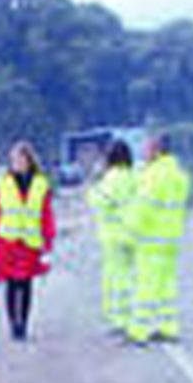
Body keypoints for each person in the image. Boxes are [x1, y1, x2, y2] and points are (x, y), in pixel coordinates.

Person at [0, 140, 56, 342]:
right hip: (8, 242)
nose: (17, 163)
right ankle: (13, 325)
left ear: (29, 160)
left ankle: (23, 324)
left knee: (25, 285)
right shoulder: (3, 183)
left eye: (20, 159)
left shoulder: (40, 184)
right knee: (10, 285)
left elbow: (46, 214)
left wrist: (48, 239)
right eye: (14, 159)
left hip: (30, 242)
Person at [128, 133, 192, 344]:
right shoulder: (180, 174)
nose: (144, 153)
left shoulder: (153, 175)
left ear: (157, 151)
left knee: (145, 285)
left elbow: (143, 206)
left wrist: (130, 229)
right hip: (171, 238)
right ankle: (168, 326)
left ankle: (139, 331)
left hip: (150, 238)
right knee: (167, 286)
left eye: (147, 148)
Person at [86, 140, 137, 335]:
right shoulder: (135, 177)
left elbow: (97, 201)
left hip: (114, 236)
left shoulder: (111, 178)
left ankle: (120, 320)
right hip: (134, 233)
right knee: (132, 277)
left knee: (116, 278)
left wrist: (94, 183)